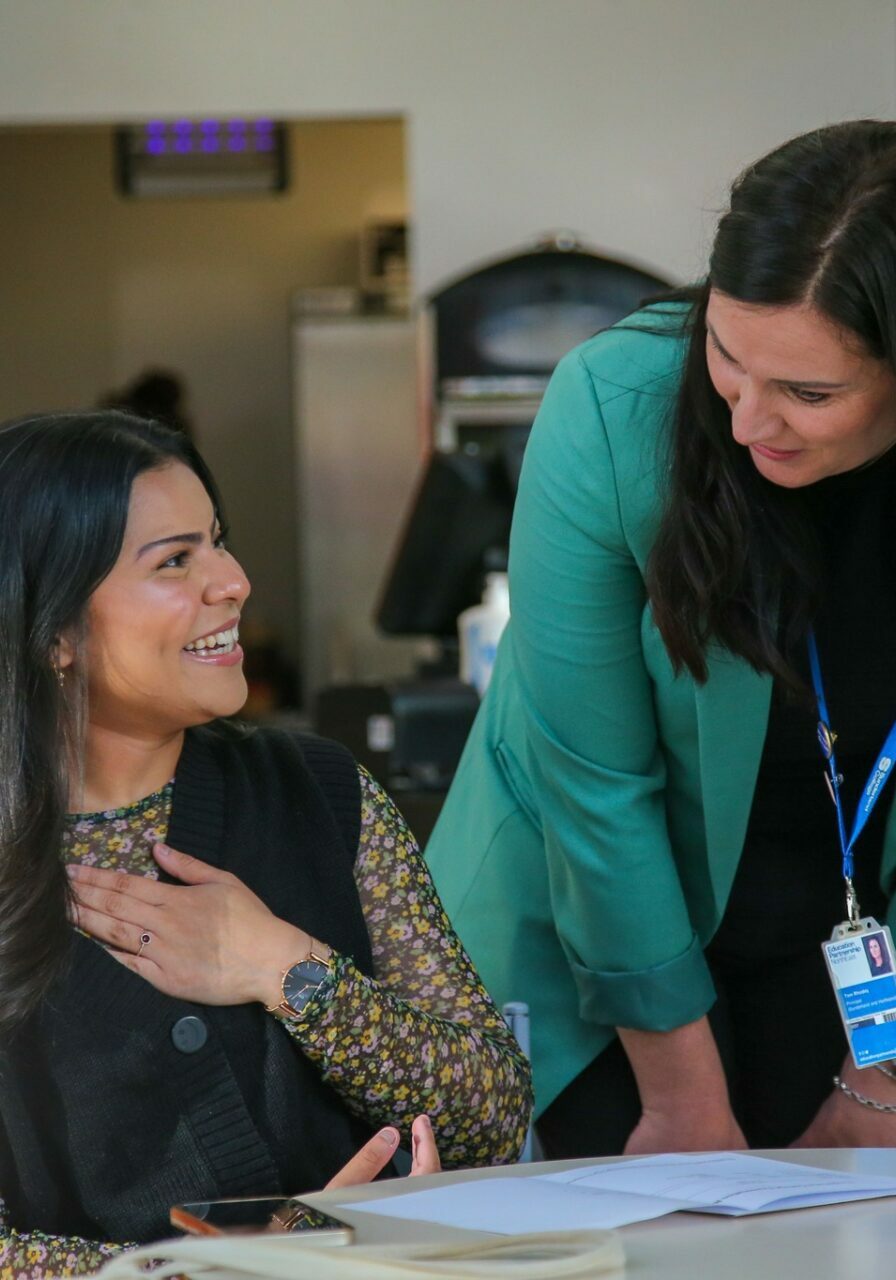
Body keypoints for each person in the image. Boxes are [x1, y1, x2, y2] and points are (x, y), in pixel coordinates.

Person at [426, 118, 896, 1158]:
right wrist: (684, 1098)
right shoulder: (611, 406)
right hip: (594, 934)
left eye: (808, 393)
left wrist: (878, 1079)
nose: (746, 422)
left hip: (842, 942)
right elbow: (591, 784)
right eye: (726, 357)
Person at [0, 411, 532, 1277]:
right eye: (175, 561)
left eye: (219, 544)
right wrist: (224, 1271)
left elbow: (493, 1117)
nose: (235, 582)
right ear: (54, 629)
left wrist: (286, 970)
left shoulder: (319, 791)